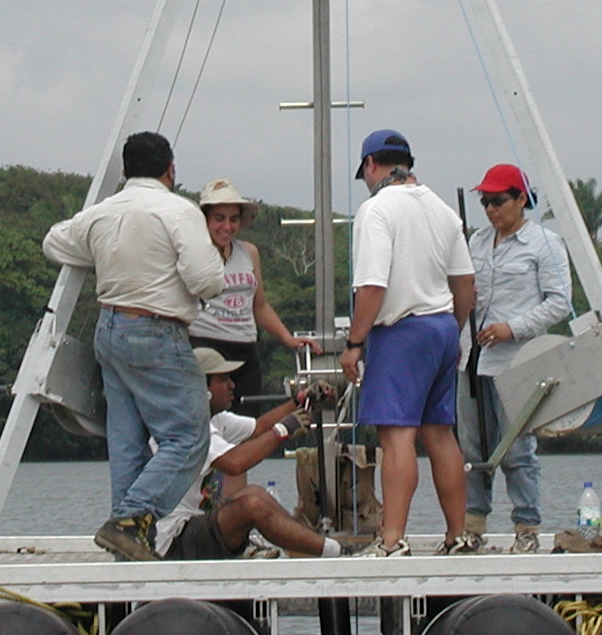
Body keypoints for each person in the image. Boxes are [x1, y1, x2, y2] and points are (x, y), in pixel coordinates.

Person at [41, 131, 224, 562]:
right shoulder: (178, 211)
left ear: (124, 171)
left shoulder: (104, 213)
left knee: (126, 442)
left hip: (110, 330)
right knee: (188, 437)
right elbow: (207, 281)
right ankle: (132, 518)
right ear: (171, 170)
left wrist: (105, 254)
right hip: (157, 332)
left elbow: (53, 242)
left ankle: (129, 541)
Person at [338, 129, 476, 557]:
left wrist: (354, 343)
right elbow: (466, 284)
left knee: (396, 437)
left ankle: (392, 539)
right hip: (442, 328)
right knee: (440, 434)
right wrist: (452, 327)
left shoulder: (376, 210)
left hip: (401, 331)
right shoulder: (440, 209)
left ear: (370, 166)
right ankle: (458, 535)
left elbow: (373, 287)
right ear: (408, 163)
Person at [461, 163, 573, 553]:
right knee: (471, 447)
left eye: (498, 200)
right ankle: (472, 525)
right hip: (472, 359)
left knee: (517, 448)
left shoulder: (544, 243)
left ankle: (526, 527)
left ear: (520, 199)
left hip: (517, 361)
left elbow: (560, 303)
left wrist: (514, 327)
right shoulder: (475, 242)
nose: (491, 209)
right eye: (485, 201)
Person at [156, 347, 346, 559]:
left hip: (193, 526)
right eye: (224, 379)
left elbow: (259, 427)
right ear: (202, 388)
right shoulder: (187, 426)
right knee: (251, 506)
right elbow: (235, 462)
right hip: (173, 540)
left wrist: (300, 400)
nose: (232, 385)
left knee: (254, 493)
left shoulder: (213, 419)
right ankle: (336, 552)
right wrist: (283, 430)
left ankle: (314, 547)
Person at [189, 178, 317, 405]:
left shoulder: (248, 252)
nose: (227, 227)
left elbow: (259, 306)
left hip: (245, 347)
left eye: (233, 219)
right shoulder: (192, 252)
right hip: (206, 347)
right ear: (205, 219)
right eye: (219, 218)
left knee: (247, 422)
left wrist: (288, 338)